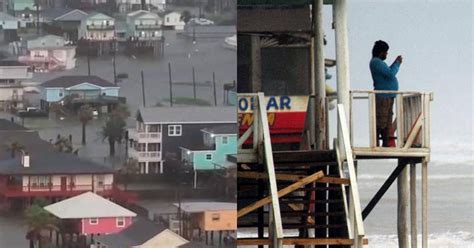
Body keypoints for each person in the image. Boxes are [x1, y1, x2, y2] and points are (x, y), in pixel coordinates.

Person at [369, 40, 402, 147]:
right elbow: (390, 74)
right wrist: (397, 63)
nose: (386, 54)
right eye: (386, 52)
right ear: (381, 52)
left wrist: (395, 63)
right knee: (381, 120)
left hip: (388, 96)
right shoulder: (376, 62)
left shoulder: (379, 63)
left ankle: (387, 143)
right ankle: (376, 143)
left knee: (387, 121)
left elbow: (388, 72)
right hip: (383, 97)